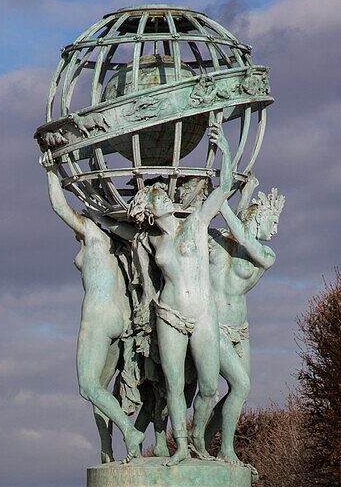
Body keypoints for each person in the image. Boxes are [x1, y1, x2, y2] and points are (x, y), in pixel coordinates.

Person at [129, 122, 232, 465]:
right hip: (169, 314)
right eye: (153, 196)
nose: (160, 196)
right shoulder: (151, 240)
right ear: (150, 209)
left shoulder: (197, 223)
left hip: (202, 314)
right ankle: (183, 447)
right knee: (173, 387)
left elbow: (225, 187)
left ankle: (200, 440)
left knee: (209, 386)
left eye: (162, 194)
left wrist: (225, 152)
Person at [41, 150, 144, 461]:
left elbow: (59, 206)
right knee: (100, 390)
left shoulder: (93, 233)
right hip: (121, 319)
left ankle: (129, 431)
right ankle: (106, 450)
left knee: (88, 387)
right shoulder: (118, 237)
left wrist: (51, 171)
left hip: (97, 318)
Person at [206, 175, 284, 462]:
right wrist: (240, 193)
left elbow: (241, 235)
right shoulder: (218, 242)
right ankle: (226, 450)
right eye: (272, 222)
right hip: (214, 327)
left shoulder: (266, 253)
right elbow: (237, 229)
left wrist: (221, 201)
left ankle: (200, 441)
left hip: (242, 329)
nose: (275, 230)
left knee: (240, 392)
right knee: (240, 386)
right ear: (258, 216)